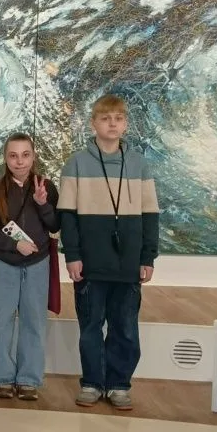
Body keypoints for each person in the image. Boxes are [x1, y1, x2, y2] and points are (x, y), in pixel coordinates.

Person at [58, 94, 160, 411]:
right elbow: (67, 215)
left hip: (128, 264)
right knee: (90, 327)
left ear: (125, 124)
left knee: (125, 328)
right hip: (90, 263)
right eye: (105, 118)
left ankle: (118, 385)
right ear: (93, 123)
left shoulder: (139, 164)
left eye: (118, 118)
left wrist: (147, 257)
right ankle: (91, 383)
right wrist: (72, 255)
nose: (112, 124)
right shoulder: (76, 163)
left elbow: (150, 214)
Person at [0, 133, 60, 401]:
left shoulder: (46, 187)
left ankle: (28, 379)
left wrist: (43, 204)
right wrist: (15, 245)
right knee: (2, 320)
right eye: (13, 156)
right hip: (5, 264)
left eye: (25, 155)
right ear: (5, 158)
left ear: (33, 156)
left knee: (34, 321)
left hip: (37, 265)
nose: (20, 161)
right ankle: (3, 377)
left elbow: (55, 224)